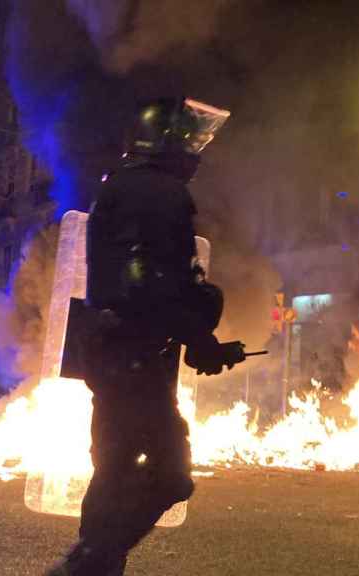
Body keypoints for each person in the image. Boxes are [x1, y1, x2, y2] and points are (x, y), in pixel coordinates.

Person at [46, 98, 246, 576]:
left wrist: (196, 336)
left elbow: (146, 279)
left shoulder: (126, 186)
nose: (196, 153)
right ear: (169, 144)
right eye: (191, 142)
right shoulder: (158, 192)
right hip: (136, 358)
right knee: (170, 476)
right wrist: (198, 335)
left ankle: (94, 563)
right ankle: (86, 564)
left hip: (115, 352)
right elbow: (152, 283)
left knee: (113, 470)